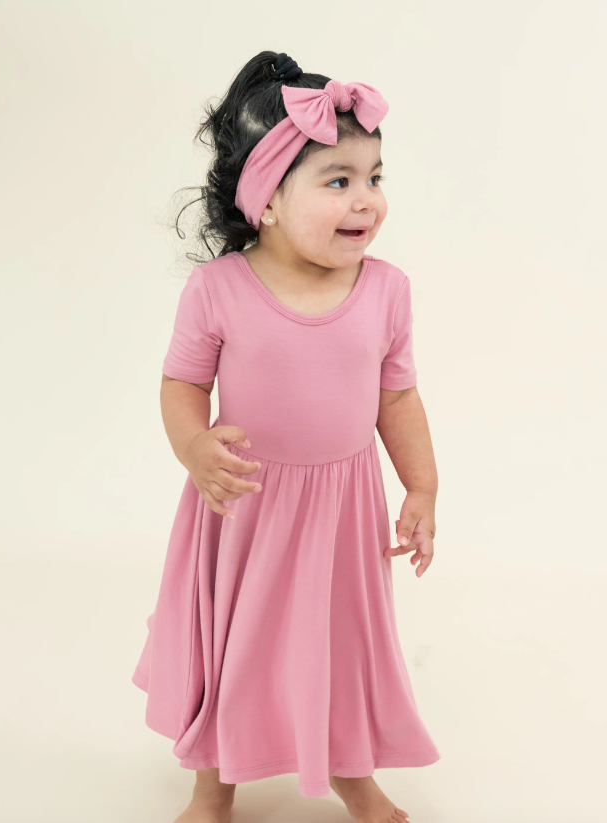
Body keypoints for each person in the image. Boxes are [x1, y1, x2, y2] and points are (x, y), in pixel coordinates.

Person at [132, 51, 441, 823]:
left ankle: (352, 774)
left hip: (341, 511)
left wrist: (422, 486)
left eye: (374, 177)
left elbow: (397, 397)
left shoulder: (386, 290)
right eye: (338, 181)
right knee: (233, 645)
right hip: (246, 506)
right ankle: (213, 786)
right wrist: (195, 447)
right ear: (266, 200)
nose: (366, 199)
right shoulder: (219, 290)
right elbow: (181, 385)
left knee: (339, 649)